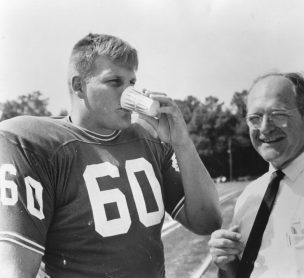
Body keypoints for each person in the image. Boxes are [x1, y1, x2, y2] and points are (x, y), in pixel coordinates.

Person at [0, 33, 222, 278]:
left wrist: (183, 143)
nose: (128, 94)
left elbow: (207, 221)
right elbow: (16, 271)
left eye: (132, 83)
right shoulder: (38, 144)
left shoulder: (149, 140)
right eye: (115, 81)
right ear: (78, 86)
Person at [208, 72, 304, 278]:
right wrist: (227, 264)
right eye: (255, 118)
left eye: (278, 114)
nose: (265, 127)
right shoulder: (249, 197)